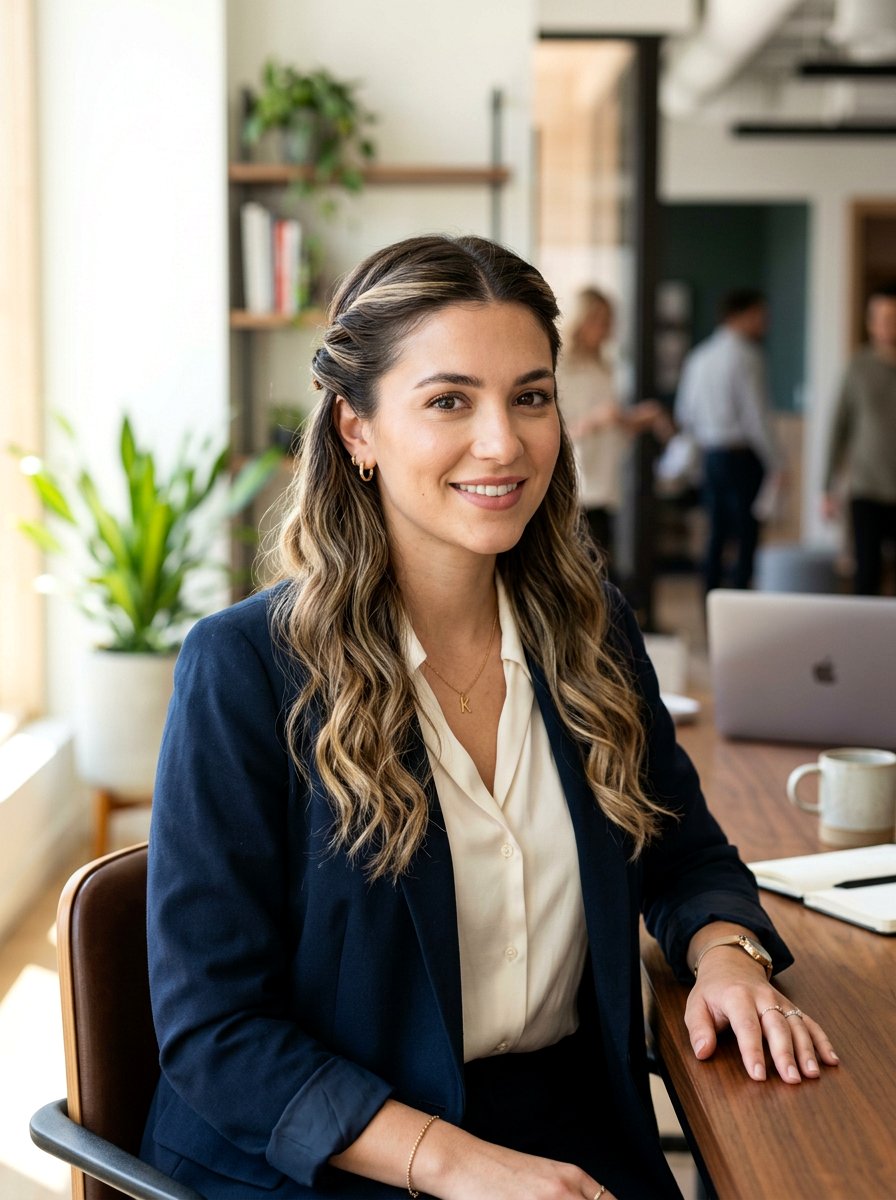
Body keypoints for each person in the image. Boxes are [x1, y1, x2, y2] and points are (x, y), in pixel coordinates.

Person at [140, 236, 837, 1200]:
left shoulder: (589, 631)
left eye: (532, 395)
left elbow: (682, 854)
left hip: (562, 1125)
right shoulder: (245, 669)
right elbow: (216, 1031)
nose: (504, 442)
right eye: (448, 401)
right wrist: (453, 1165)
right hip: (333, 1157)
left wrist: (726, 959)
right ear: (356, 430)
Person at [674, 288, 784, 592]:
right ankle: (739, 608)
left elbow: (685, 413)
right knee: (746, 536)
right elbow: (756, 417)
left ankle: (710, 610)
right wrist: (778, 463)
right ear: (740, 316)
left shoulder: (700, 356)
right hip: (742, 457)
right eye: (760, 316)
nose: (765, 323)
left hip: (711, 457)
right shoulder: (748, 356)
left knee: (716, 535)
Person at [558, 287, 670, 566]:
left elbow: (613, 427)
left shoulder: (604, 367)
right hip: (578, 485)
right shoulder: (560, 368)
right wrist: (596, 420)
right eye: (602, 320)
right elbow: (557, 431)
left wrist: (635, 419)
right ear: (584, 321)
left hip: (605, 484)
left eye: (610, 321)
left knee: (600, 565)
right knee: (582, 567)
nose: (607, 329)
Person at [822, 281, 896, 595]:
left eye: (892, 319)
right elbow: (838, 428)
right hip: (866, 489)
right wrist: (827, 486)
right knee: (866, 574)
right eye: (879, 318)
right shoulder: (857, 367)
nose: (885, 327)